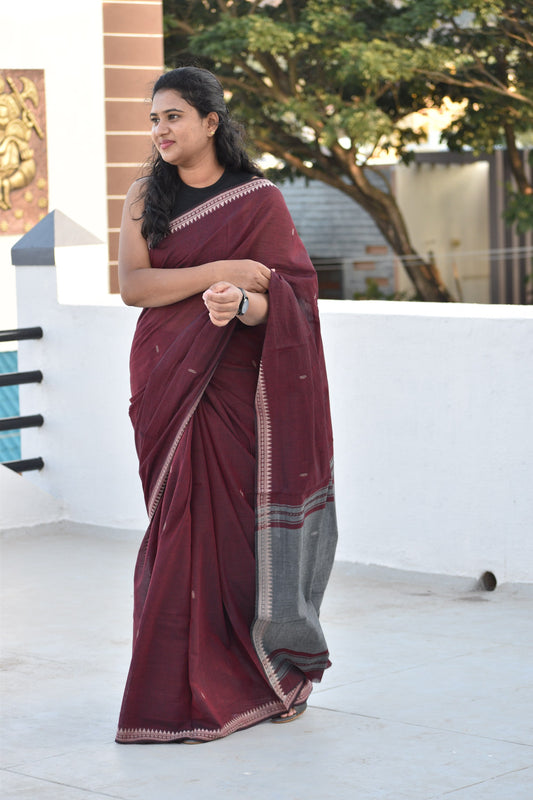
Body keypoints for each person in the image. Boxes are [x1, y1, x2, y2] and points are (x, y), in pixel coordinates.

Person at [115, 66, 338, 744]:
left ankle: (264, 675)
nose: (160, 130)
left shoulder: (258, 200)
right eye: (154, 119)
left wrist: (241, 302)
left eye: (173, 116)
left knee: (238, 538)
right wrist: (218, 272)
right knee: (178, 533)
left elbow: (289, 303)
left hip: (235, 388)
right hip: (167, 380)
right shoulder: (143, 196)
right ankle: (169, 688)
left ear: (210, 122)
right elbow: (134, 287)